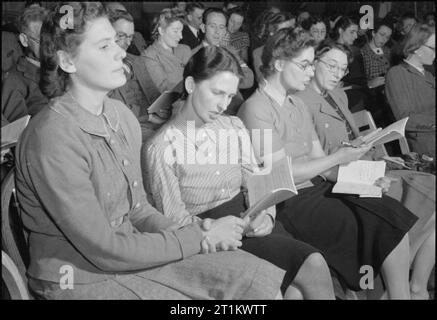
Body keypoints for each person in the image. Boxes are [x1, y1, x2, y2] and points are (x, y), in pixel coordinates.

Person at [14, 2, 286, 300]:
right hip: (78, 276)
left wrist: (197, 232)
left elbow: (139, 209)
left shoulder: (120, 115)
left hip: (128, 249)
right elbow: (103, 249)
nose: (120, 51)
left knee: (256, 278)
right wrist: (198, 238)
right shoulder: (52, 136)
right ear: (67, 61)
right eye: (105, 46)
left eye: (116, 42)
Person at [238, 28, 418, 299]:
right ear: (278, 63)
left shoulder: (296, 104)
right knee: (371, 222)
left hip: (316, 187)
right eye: (305, 65)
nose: (311, 72)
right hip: (288, 200)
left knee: (390, 214)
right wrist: (338, 158)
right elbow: (279, 174)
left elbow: (319, 162)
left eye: (312, 64)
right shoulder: (256, 109)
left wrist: (362, 179)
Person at [143, 45, 335, 300]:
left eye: (230, 96)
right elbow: (173, 220)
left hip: (250, 221)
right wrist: (215, 230)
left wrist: (266, 215)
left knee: (312, 264)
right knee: (286, 285)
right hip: (208, 239)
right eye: (217, 93)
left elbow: (257, 179)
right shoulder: (161, 147)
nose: (223, 104)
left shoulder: (232, 126)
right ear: (190, 85)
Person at [297, 40, 436, 299]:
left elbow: (347, 138)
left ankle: (416, 284)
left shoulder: (337, 94)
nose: (338, 74)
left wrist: (367, 142)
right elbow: (322, 160)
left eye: (343, 69)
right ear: (314, 63)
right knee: (422, 189)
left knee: (431, 188)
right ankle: (400, 281)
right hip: (342, 173)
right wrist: (356, 157)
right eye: (331, 66)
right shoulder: (302, 101)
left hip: (363, 162)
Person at [106, 9, 164, 142]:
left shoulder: (136, 60)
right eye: (121, 35)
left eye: (130, 37)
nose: (127, 42)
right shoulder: (101, 68)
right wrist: (147, 116)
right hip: (128, 126)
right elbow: (112, 108)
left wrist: (163, 106)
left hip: (153, 120)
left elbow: (153, 92)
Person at [385, 23, 435, 159]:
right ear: (417, 48)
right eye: (433, 48)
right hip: (423, 144)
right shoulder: (396, 74)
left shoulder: (429, 75)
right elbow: (405, 119)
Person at [192, 8, 254, 115]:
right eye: (212, 26)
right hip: (207, 112)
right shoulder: (193, 55)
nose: (217, 32)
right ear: (203, 27)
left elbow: (249, 79)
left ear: (225, 30)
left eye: (221, 27)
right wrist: (233, 76)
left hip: (236, 108)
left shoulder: (230, 50)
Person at [2, 5, 48, 124]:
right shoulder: (14, 80)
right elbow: (15, 133)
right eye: (41, 41)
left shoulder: (63, 68)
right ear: (24, 40)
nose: (50, 46)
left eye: (52, 38)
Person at [142, 8, 191, 93]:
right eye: (175, 31)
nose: (181, 36)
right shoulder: (149, 56)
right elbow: (164, 90)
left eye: (181, 31)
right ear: (161, 31)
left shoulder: (185, 49)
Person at [360, 19, 396, 127]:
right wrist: (370, 84)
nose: (384, 39)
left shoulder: (388, 51)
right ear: (373, 33)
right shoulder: (362, 53)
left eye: (387, 37)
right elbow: (357, 82)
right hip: (373, 100)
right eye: (382, 34)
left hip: (390, 96)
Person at [252, 12, 296, 84]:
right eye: (282, 31)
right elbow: (263, 82)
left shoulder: (298, 52)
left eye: (288, 31)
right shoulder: (258, 53)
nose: (285, 35)